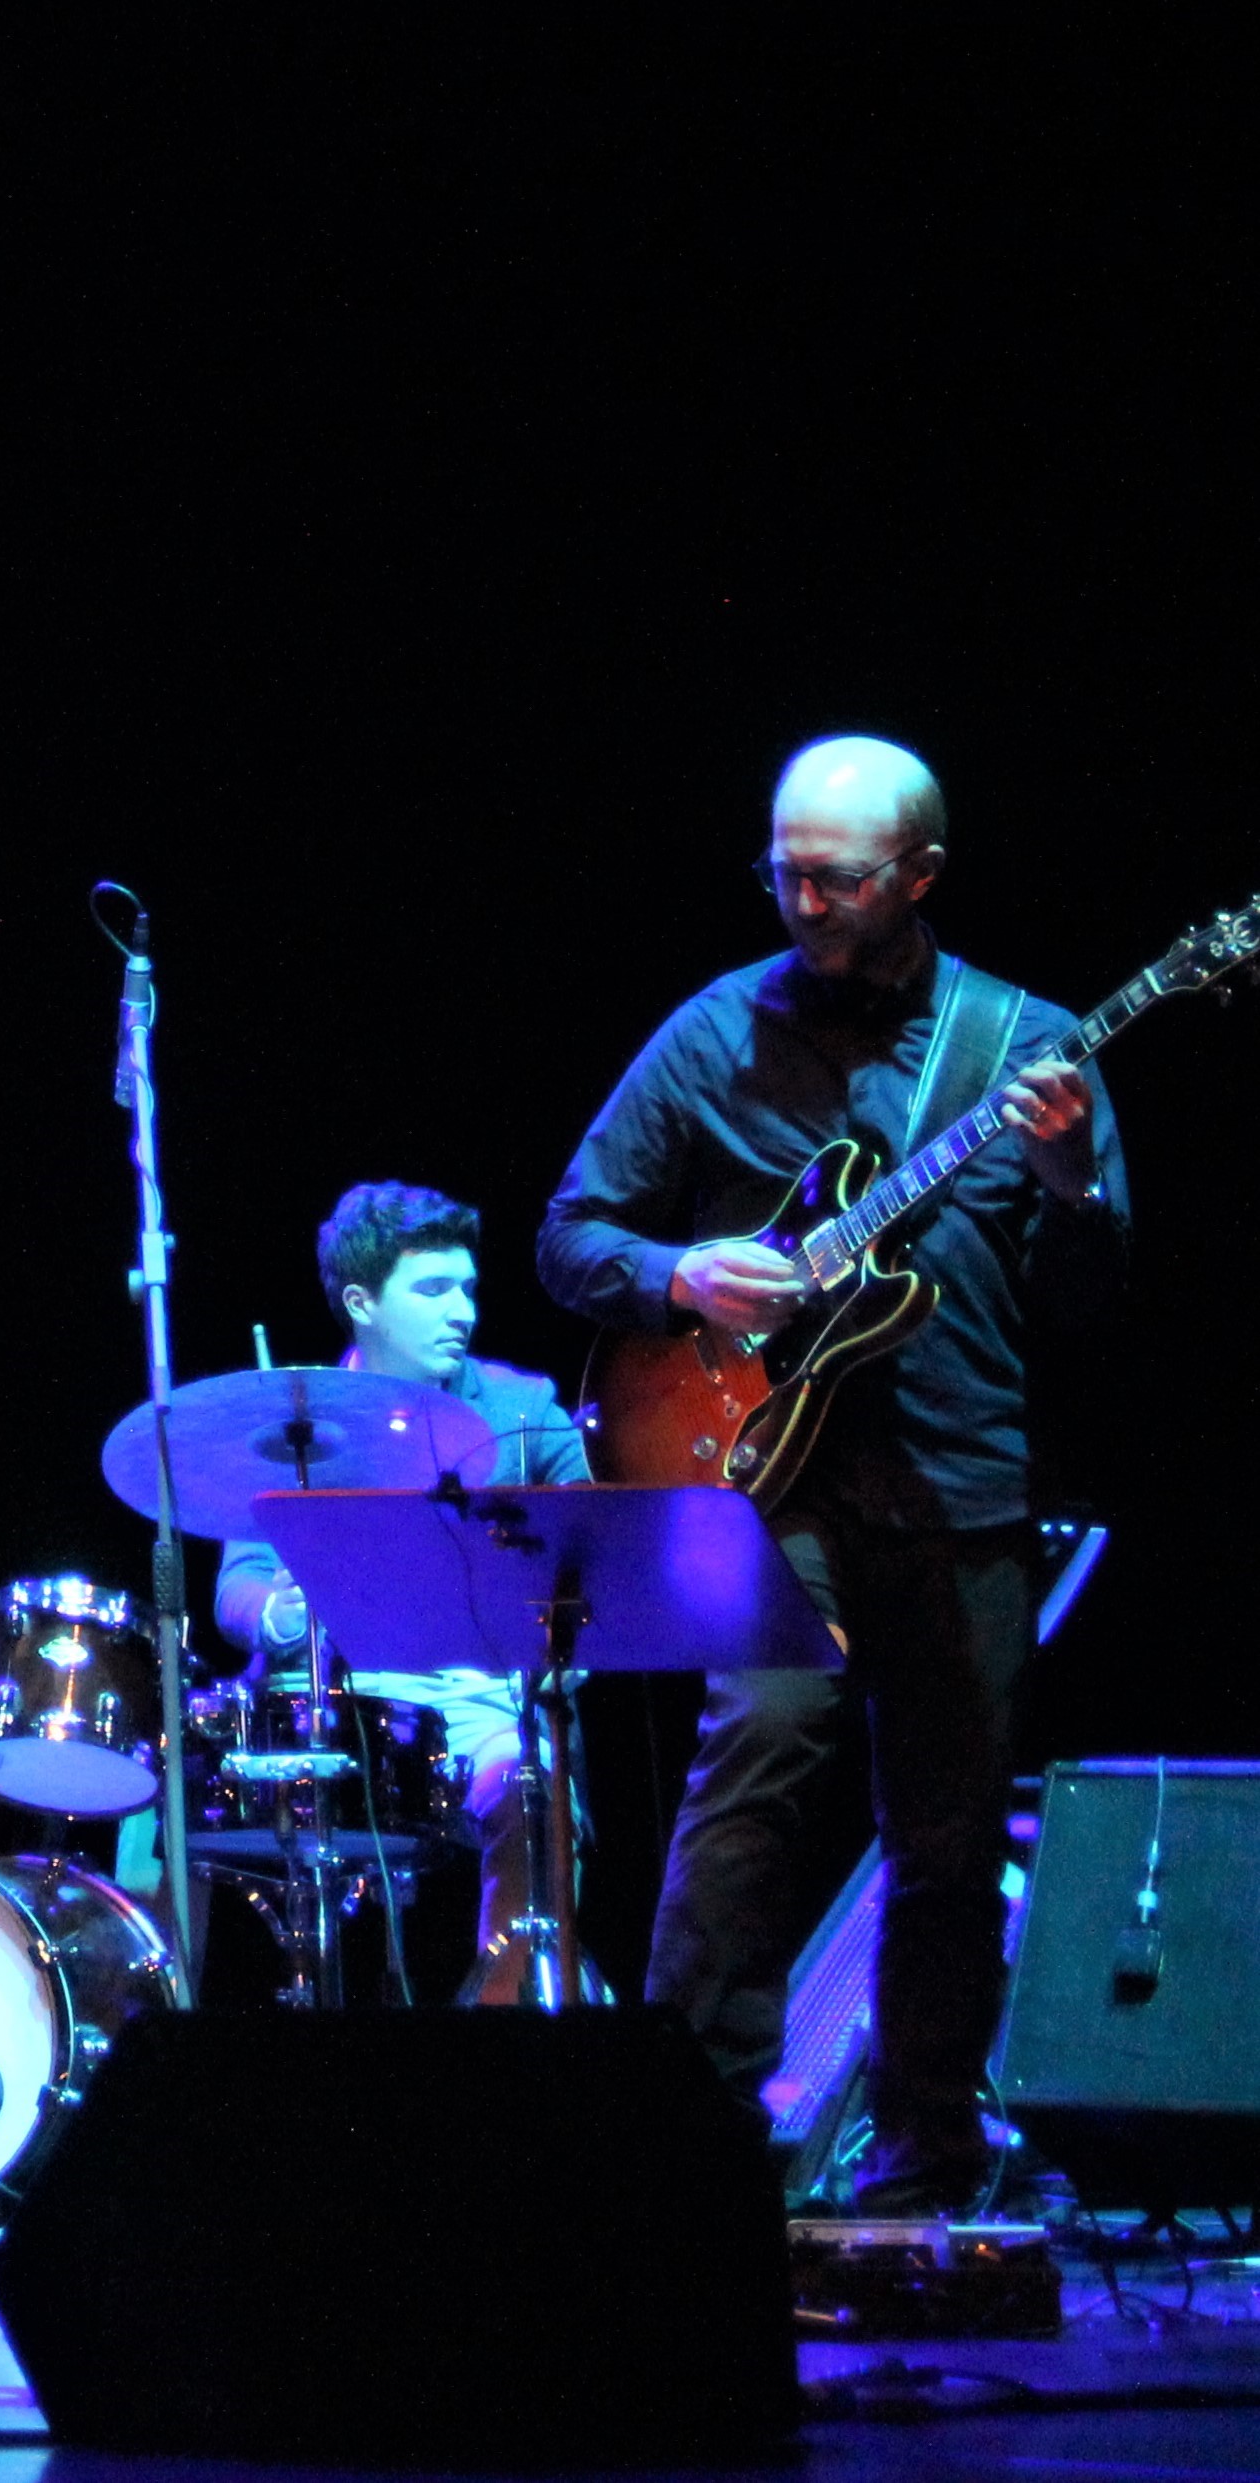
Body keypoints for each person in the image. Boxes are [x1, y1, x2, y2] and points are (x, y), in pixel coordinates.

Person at [540, 735, 1125, 2216]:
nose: (800, 899)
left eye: (835, 877)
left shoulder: (1024, 1041)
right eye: (780, 871)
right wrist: (678, 1274)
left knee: (945, 1835)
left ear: (917, 875)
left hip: (958, 1479)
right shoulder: (714, 1030)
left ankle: (925, 2158)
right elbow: (570, 1234)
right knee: (753, 1764)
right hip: (765, 1481)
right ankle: (682, 2130)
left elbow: (1090, 1303)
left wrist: (1068, 1186)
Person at [212, 1181, 594, 1836]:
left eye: (467, 1289)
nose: (463, 1312)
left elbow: (599, 1541)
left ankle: (520, 1905)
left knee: (525, 1795)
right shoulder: (298, 1425)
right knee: (189, 1801)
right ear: (361, 1303)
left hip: (488, 1711)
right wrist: (275, 1614)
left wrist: (567, 1634)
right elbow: (237, 1585)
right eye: (433, 1290)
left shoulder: (524, 1410)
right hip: (339, 1707)